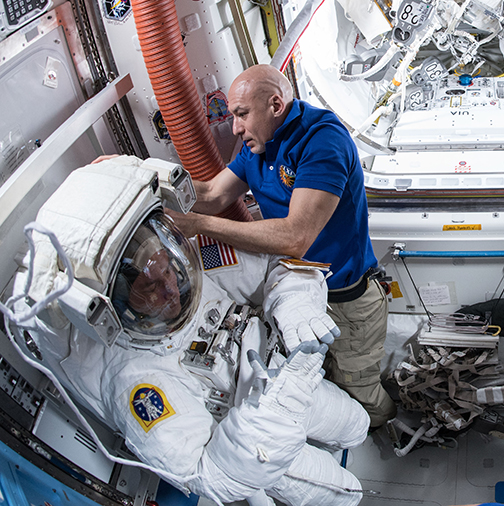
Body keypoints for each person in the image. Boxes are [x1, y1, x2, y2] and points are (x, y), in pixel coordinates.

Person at [6, 157, 370, 505]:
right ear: (115, 305)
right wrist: (280, 406)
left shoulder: (194, 263)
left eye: (168, 270)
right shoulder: (133, 382)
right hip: (249, 433)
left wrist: (295, 309)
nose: (171, 289)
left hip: (289, 376)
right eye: (149, 289)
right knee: (347, 493)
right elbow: (210, 476)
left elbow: (284, 264)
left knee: (357, 424)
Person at [168, 64, 395, 427]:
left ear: (275, 105)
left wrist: (197, 225)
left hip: (348, 303)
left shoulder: (322, 140)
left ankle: (388, 425)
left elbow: (295, 236)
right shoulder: (258, 144)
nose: (235, 128)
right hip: (299, 293)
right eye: (232, 117)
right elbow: (211, 194)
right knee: (320, 386)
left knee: (359, 395)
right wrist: (146, 178)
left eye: (242, 115)